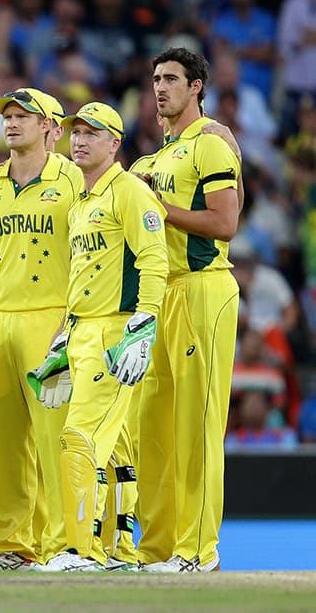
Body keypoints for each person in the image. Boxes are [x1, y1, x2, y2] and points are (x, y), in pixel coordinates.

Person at [0, 88, 84, 570]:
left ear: (51, 126)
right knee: (2, 443)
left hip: (51, 317)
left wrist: (75, 323)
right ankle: (10, 545)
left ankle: (65, 545)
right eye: (7, 115)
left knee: (55, 439)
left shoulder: (75, 179)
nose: (11, 122)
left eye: (23, 115)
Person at [29, 102, 168, 572]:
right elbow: (82, 275)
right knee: (116, 446)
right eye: (75, 132)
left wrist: (143, 324)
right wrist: (64, 336)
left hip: (116, 330)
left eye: (93, 133)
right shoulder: (82, 202)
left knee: (79, 438)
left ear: (115, 143)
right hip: (83, 329)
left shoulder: (129, 192)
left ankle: (78, 550)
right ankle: (119, 550)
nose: (80, 140)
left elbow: (154, 260)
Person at [134, 47, 241, 573]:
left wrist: (159, 208)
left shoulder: (212, 144)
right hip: (158, 298)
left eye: (172, 79)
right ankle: (154, 549)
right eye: (155, 79)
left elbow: (225, 224)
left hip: (203, 289)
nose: (160, 88)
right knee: (151, 429)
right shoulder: (147, 163)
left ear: (197, 86)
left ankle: (197, 551)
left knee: (196, 426)